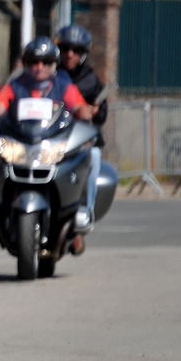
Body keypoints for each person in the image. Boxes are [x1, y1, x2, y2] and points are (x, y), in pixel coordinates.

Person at [57, 23, 108, 236]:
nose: (70, 54)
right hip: (52, 138)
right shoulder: (51, 76)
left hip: (79, 141)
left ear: (83, 53)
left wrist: (95, 112)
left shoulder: (91, 79)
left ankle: (84, 215)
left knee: (94, 156)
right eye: (65, 48)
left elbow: (102, 114)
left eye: (75, 50)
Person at [0, 36, 98, 123]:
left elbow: (77, 106)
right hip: (19, 142)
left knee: (92, 153)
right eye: (34, 62)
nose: (40, 67)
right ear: (26, 63)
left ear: (54, 64)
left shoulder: (64, 86)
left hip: (55, 142)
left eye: (46, 62)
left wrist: (83, 111)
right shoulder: (14, 86)